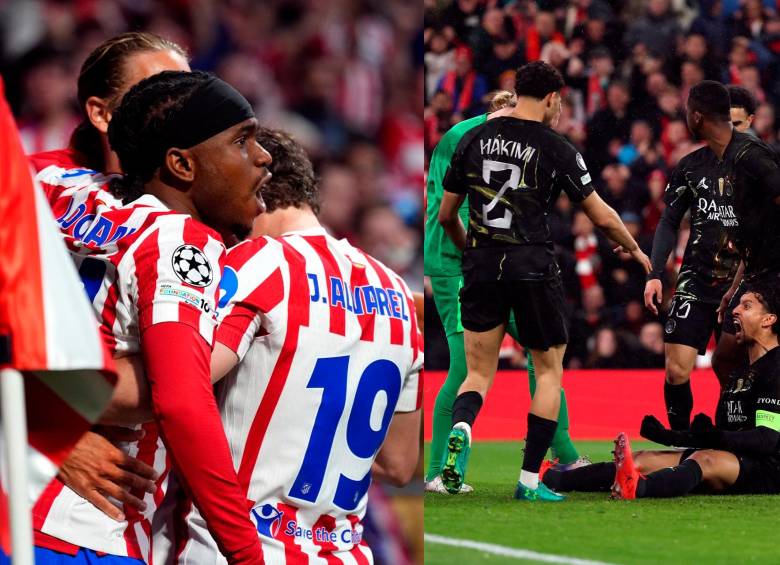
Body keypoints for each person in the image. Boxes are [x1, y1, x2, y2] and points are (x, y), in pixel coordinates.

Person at [31, 70, 270, 564]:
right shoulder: (180, 240)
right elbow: (182, 404)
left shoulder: (53, 184)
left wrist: (37, 413)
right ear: (182, 164)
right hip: (83, 528)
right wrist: (247, 555)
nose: (263, 156)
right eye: (243, 141)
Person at [151, 127, 422, 563]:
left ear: (253, 187)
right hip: (344, 552)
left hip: (234, 548)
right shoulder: (397, 294)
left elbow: (179, 383)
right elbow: (398, 464)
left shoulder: (258, 265)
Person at [437, 61, 651, 501]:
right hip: (531, 264)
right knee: (548, 370)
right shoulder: (556, 146)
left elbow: (445, 215)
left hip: (480, 265)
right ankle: (529, 481)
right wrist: (634, 248)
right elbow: (600, 215)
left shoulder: (471, 139)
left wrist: (470, 250)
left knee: (477, 373)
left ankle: (461, 430)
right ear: (552, 98)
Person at [27, 32, 194, 523]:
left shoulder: (212, 212)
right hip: (25, 495)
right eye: (160, 91)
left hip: (125, 520)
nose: (181, 109)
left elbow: (181, 382)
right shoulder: (28, 185)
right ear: (101, 114)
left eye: (189, 91)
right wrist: (48, 433)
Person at [423, 89, 585, 495]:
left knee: (540, 354)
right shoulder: (468, 137)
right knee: (472, 366)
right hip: (461, 263)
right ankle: (439, 471)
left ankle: (564, 455)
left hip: (491, 264)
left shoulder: (478, 138)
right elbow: (453, 210)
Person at [543, 284, 780, 500]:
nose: (735, 311)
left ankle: (637, 489)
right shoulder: (740, 372)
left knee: (705, 459)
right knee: (642, 459)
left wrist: (717, 437)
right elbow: (721, 434)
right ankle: (553, 479)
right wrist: (668, 437)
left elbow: (768, 439)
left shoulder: (776, 367)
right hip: (735, 457)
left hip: (769, 467)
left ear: (769, 319)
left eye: (746, 306)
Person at [642, 81, 744, 431]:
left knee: (732, 368)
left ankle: (736, 439)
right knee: (676, 368)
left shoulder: (755, 162)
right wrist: (655, 272)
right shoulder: (690, 166)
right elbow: (669, 220)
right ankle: (682, 439)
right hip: (696, 280)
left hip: (743, 283)